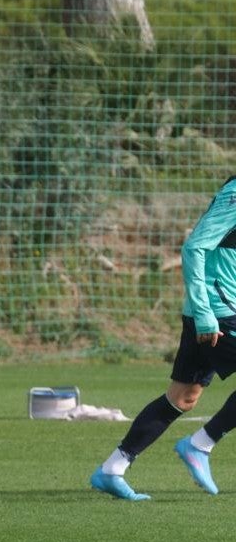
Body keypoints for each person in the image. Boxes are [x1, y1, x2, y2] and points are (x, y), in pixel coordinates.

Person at [91, 176, 236, 500]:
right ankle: (200, 444)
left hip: (218, 306)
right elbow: (195, 246)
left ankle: (112, 468)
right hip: (215, 309)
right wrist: (204, 313)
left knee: (183, 396)